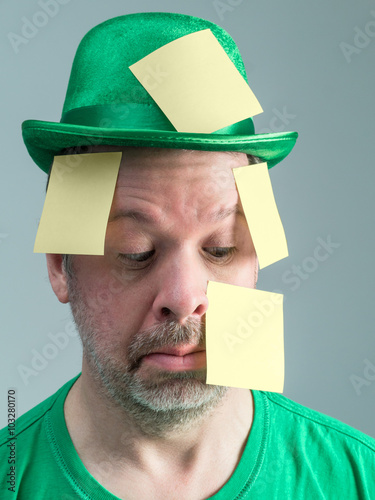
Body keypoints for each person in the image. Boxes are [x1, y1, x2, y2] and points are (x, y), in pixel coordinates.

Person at [1, 12, 375, 500]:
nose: (184, 298)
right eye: (137, 252)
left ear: (257, 258)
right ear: (59, 265)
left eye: (220, 250)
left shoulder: (358, 480)